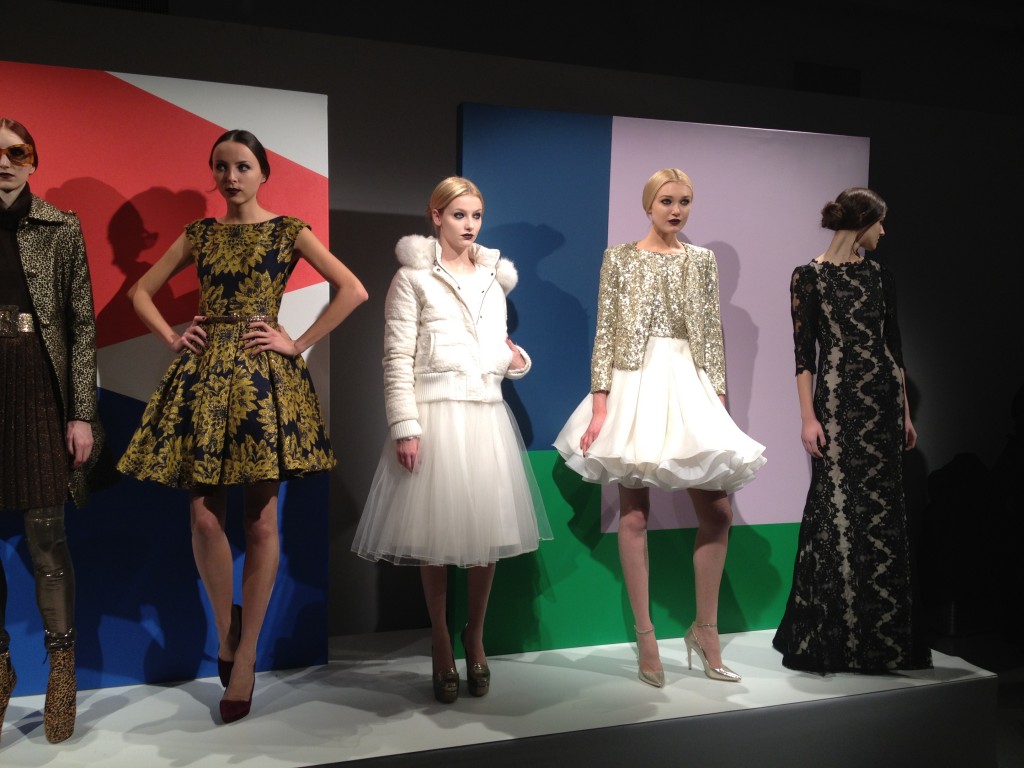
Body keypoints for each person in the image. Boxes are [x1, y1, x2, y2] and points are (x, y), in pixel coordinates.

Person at [116, 129, 368, 722]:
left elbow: (353, 289)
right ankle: (227, 632)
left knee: (260, 521)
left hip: (263, 382)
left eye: (243, 166)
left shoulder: (288, 230)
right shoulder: (199, 234)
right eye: (222, 167)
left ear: (263, 172)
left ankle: (247, 653)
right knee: (204, 518)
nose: (231, 177)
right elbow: (140, 292)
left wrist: (297, 342)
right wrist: (173, 336)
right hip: (205, 380)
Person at [554, 168, 766, 688]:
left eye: (685, 201)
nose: (676, 210)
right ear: (649, 203)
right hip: (634, 382)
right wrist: (600, 403)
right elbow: (606, 330)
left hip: (688, 382)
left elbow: (710, 334)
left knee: (717, 511)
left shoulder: (702, 260)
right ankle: (646, 638)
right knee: (634, 515)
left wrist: (718, 402)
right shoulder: (619, 258)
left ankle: (705, 631)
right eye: (667, 201)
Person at [352, 176, 551, 703]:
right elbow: (396, 357)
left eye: (476, 216)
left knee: (487, 533)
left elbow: (497, 345)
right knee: (435, 539)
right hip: (436, 414)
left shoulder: (493, 279)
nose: (469, 225)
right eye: (459, 214)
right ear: (436, 216)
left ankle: (474, 636)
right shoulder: (412, 278)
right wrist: (404, 425)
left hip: (486, 414)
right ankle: (441, 640)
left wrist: (515, 359)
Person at [772, 187, 932, 673]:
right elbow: (804, 357)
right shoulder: (808, 277)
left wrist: (905, 413)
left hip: (883, 405)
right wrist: (808, 417)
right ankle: (832, 638)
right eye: (880, 222)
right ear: (863, 222)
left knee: (882, 517)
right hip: (837, 406)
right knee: (834, 512)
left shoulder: (881, 276)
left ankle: (881, 641)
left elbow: (894, 349)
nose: (884, 231)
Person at [0, 117, 100, 743]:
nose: (3, 163)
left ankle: (61, 673)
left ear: (33, 161)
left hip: (39, 386)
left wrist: (81, 411)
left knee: (46, 539)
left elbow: (82, 325)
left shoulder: (61, 227)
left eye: (16, 153)